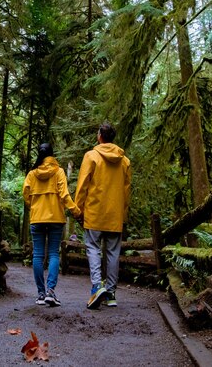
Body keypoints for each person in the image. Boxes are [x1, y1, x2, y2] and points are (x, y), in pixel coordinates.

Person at [75, 122, 131, 309]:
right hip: (114, 214)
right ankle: (111, 293)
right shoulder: (124, 161)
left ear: (99, 136)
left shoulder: (91, 156)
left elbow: (83, 184)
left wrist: (78, 209)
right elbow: (126, 191)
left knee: (92, 248)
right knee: (113, 253)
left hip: (94, 212)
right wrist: (123, 214)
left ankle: (97, 286)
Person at [23, 142, 83, 307]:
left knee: (37, 255)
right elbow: (64, 195)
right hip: (56, 218)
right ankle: (50, 292)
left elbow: (26, 195)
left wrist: (34, 206)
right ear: (52, 154)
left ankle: (41, 294)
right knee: (54, 255)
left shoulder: (32, 174)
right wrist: (76, 211)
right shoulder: (59, 172)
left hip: (37, 219)